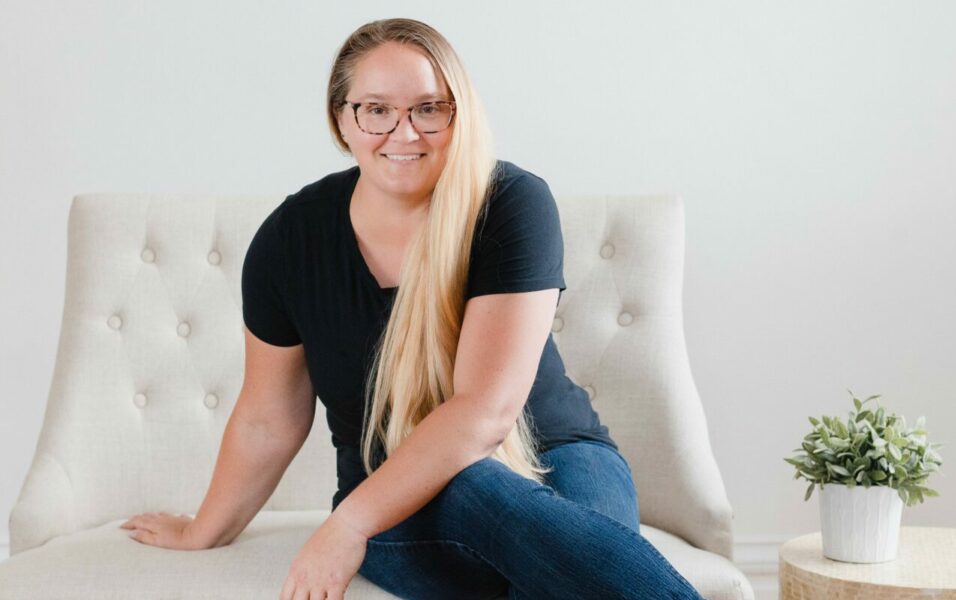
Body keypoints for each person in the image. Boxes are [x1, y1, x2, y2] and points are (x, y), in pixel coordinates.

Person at [120, 17, 704, 600]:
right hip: (393, 495)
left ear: (458, 115)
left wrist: (345, 526)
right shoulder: (291, 240)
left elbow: (485, 412)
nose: (404, 133)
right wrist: (202, 530)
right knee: (483, 492)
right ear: (341, 119)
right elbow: (267, 420)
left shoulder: (510, 203)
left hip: (558, 453)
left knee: (545, 547)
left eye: (429, 108)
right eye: (376, 110)